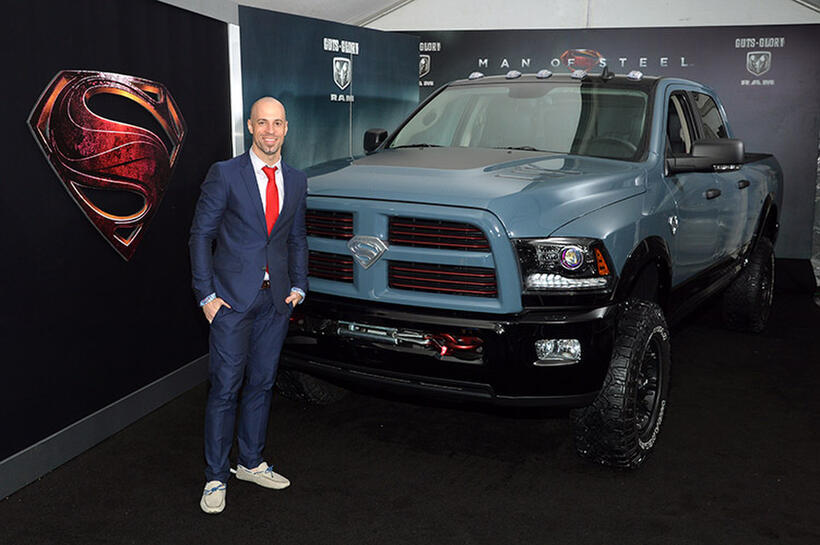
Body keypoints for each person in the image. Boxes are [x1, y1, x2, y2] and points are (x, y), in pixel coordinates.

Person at [189, 97, 308, 514]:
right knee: (225, 389)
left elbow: (295, 238)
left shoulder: (296, 179)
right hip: (231, 304)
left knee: (261, 384)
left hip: (275, 302)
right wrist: (206, 297)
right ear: (251, 127)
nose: (270, 131)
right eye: (263, 123)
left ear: (286, 128)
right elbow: (200, 237)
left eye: (277, 123)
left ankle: (251, 462)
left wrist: (299, 286)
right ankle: (216, 477)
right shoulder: (225, 174)